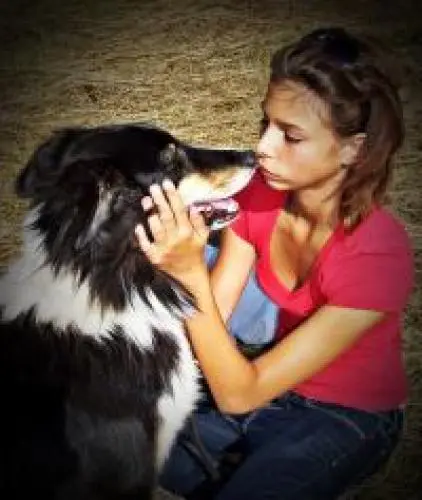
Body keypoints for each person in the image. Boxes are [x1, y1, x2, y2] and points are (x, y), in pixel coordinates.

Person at [135, 27, 414, 500]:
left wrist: (188, 272)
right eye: (265, 123)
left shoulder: (376, 253)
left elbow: (237, 394)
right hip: (265, 383)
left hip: (346, 415)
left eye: (291, 135)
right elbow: (215, 315)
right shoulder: (262, 197)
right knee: (119, 444)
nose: (263, 146)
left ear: (355, 148)